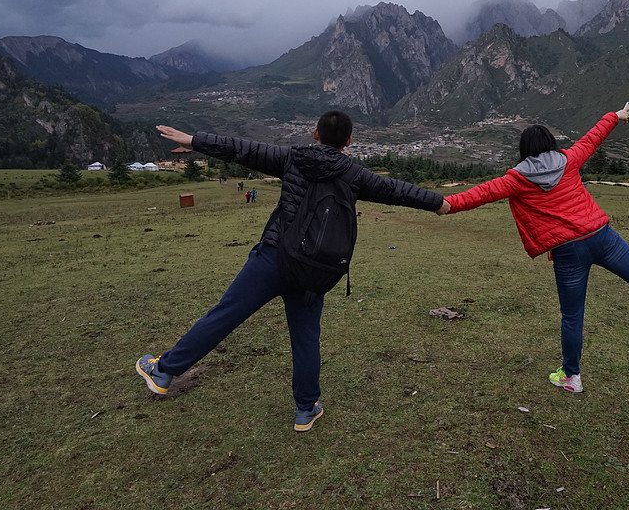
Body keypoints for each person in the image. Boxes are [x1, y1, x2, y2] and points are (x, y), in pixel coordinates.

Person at [136, 110, 451, 431]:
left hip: (273, 257)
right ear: (349, 142)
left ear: (316, 134)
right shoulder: (355, 174)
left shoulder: (291, 157)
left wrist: (192, 140)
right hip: (314, 269)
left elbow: (239, 148)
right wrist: (437, 202)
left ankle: (164, 371)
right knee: (305, 337)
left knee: (223, 315)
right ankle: (305, 409)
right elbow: (397, 190)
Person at [436, 105, 629, 394]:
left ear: (524, 150)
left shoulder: (516, 178)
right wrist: (616, 116)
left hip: (568, 252)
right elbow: (593, 137)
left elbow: (481, 193)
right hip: (603, 237)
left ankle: (572, 376)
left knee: (573, 316)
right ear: (551, 143)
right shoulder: (569, 159)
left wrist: (446, 205)